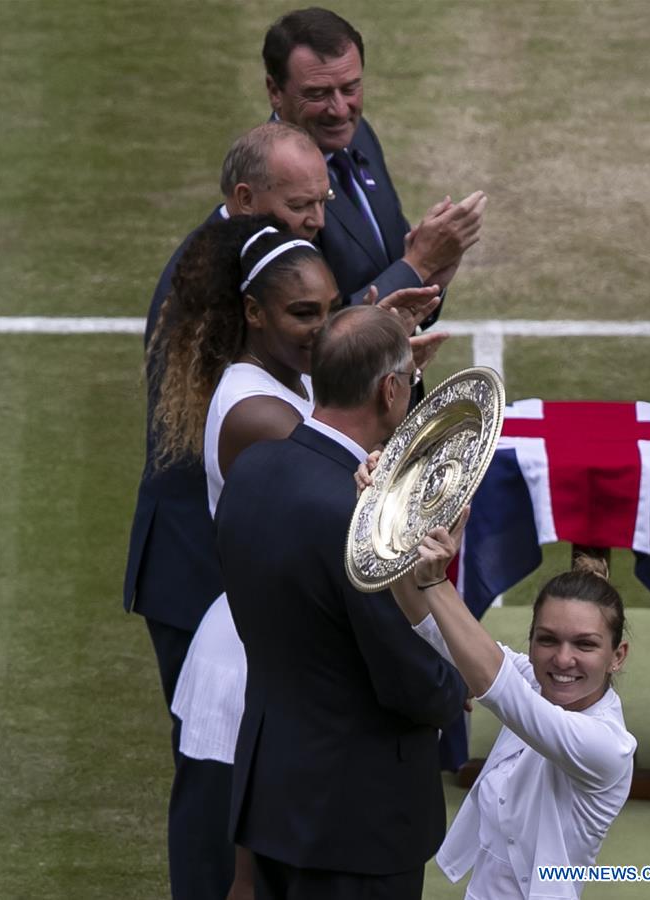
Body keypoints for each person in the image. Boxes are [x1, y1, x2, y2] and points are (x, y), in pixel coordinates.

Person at [122, 122, 336, 899]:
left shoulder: (255, 269)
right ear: (246, 201)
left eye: (322, 200)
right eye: (298, 203)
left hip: (235, 571)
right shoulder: (208, 286)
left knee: (253, 780)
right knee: (214, 786)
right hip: (199, 573)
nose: (315, 217)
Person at [216, 305, 467, 900]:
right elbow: (411, 683)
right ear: (389, 390)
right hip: (355, 827)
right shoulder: (361, 524)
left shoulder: (253, 469)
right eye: (408, 379)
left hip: (271, 802)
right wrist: (458, 682)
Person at [386, 509, 637, 899]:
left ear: (617, 656)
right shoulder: (533, 680)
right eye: (547, 639)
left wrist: (437, 581)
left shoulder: (606, 746)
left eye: (585, 644)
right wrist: (387, 518)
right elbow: (432, 627)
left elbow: (495, 684)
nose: (562, 660)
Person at [262, 7, 488, 309]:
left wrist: (431, 277)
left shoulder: (358, 134)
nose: (340, 110)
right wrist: (418, 266)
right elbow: (318, 336)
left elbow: (393, 258)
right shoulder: (271, 188)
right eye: (318, 94)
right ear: (275, 91)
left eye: (350, 88)